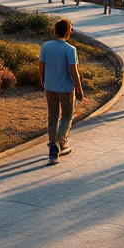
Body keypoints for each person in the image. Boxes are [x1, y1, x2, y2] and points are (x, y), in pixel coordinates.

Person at [38, 18, 85, 165]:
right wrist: (79, 88)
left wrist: (42, 80)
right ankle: (59, 141)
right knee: (67, 116)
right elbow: (73, 71)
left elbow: (41, 65)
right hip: (65, 89)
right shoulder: (70, 49)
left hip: (50, 87)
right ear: (67, 31)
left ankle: (54, 144)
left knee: (52, 116)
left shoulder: (46, 46)